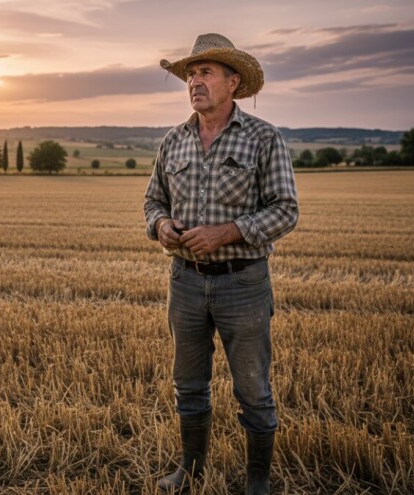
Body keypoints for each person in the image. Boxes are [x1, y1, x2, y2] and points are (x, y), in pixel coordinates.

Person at [144, 33, 298, 495]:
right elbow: (153, 201)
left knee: (253, 391)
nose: (195, 80)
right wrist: (162, 226)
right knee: (188, 385)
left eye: (205, 72)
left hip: (243, 283)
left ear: (233, 82)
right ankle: (189, 471)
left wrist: (226, 233)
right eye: (190, 74)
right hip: (185, 282)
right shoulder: (173, 142)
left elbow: (285, 209)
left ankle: (257, 481)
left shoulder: (263, 137)